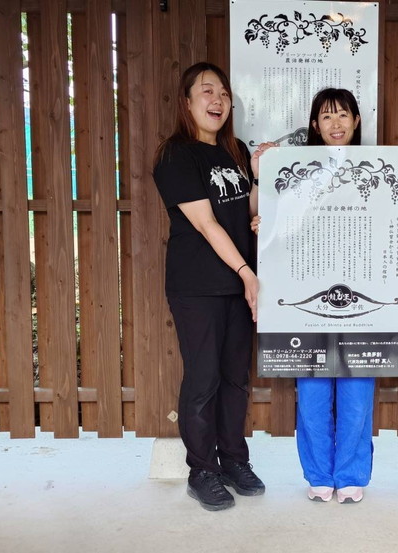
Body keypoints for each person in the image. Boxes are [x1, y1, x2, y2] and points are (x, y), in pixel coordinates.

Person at [251, 88, 398, 505]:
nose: (336, 123)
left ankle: (350, 474)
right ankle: (318, 474)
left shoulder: (378, 167)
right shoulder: (294, 170)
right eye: (327, 116)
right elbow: (280, 227)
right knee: (312, 398)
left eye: (343, 115)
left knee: (356, 397)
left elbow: (390, 224)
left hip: (365, 306)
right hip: (306, 305)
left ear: (356, 121)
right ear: (315, 125)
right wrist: (265, 222)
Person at [152, 62, 265, 511]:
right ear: (187, 102)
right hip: (199, 285)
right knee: (203, 380)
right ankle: (202, 469)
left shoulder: (235, 150)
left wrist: (257, 175)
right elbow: (205, 223)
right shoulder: (176, 155)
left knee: (236, 379)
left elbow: (246, 210)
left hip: (238, 284)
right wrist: (246, 271)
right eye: (206, 91)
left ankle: (234, 459)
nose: (217, 100)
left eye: (223, 92)